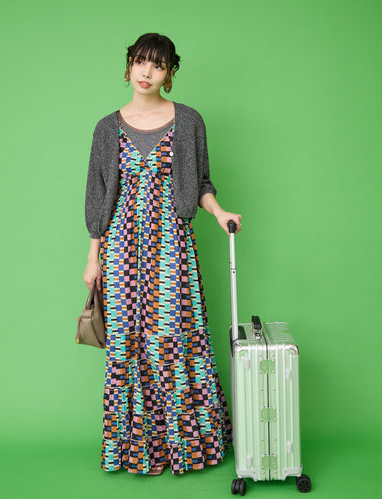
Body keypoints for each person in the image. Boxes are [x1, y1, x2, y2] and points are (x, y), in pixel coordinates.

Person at [83, 33, 242, 476]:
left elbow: (202, 182)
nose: (147, 72)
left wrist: (219, 212)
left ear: (170, 73)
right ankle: (135, 449)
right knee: (126, 342)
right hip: (120, 248)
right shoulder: (106, 128)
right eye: (140, 61)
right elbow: (97, 195)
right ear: (129, 65)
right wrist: (94, 257)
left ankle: (183, 448)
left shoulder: (188, 121)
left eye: (158, 65)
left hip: (172, 243)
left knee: (173, 339)